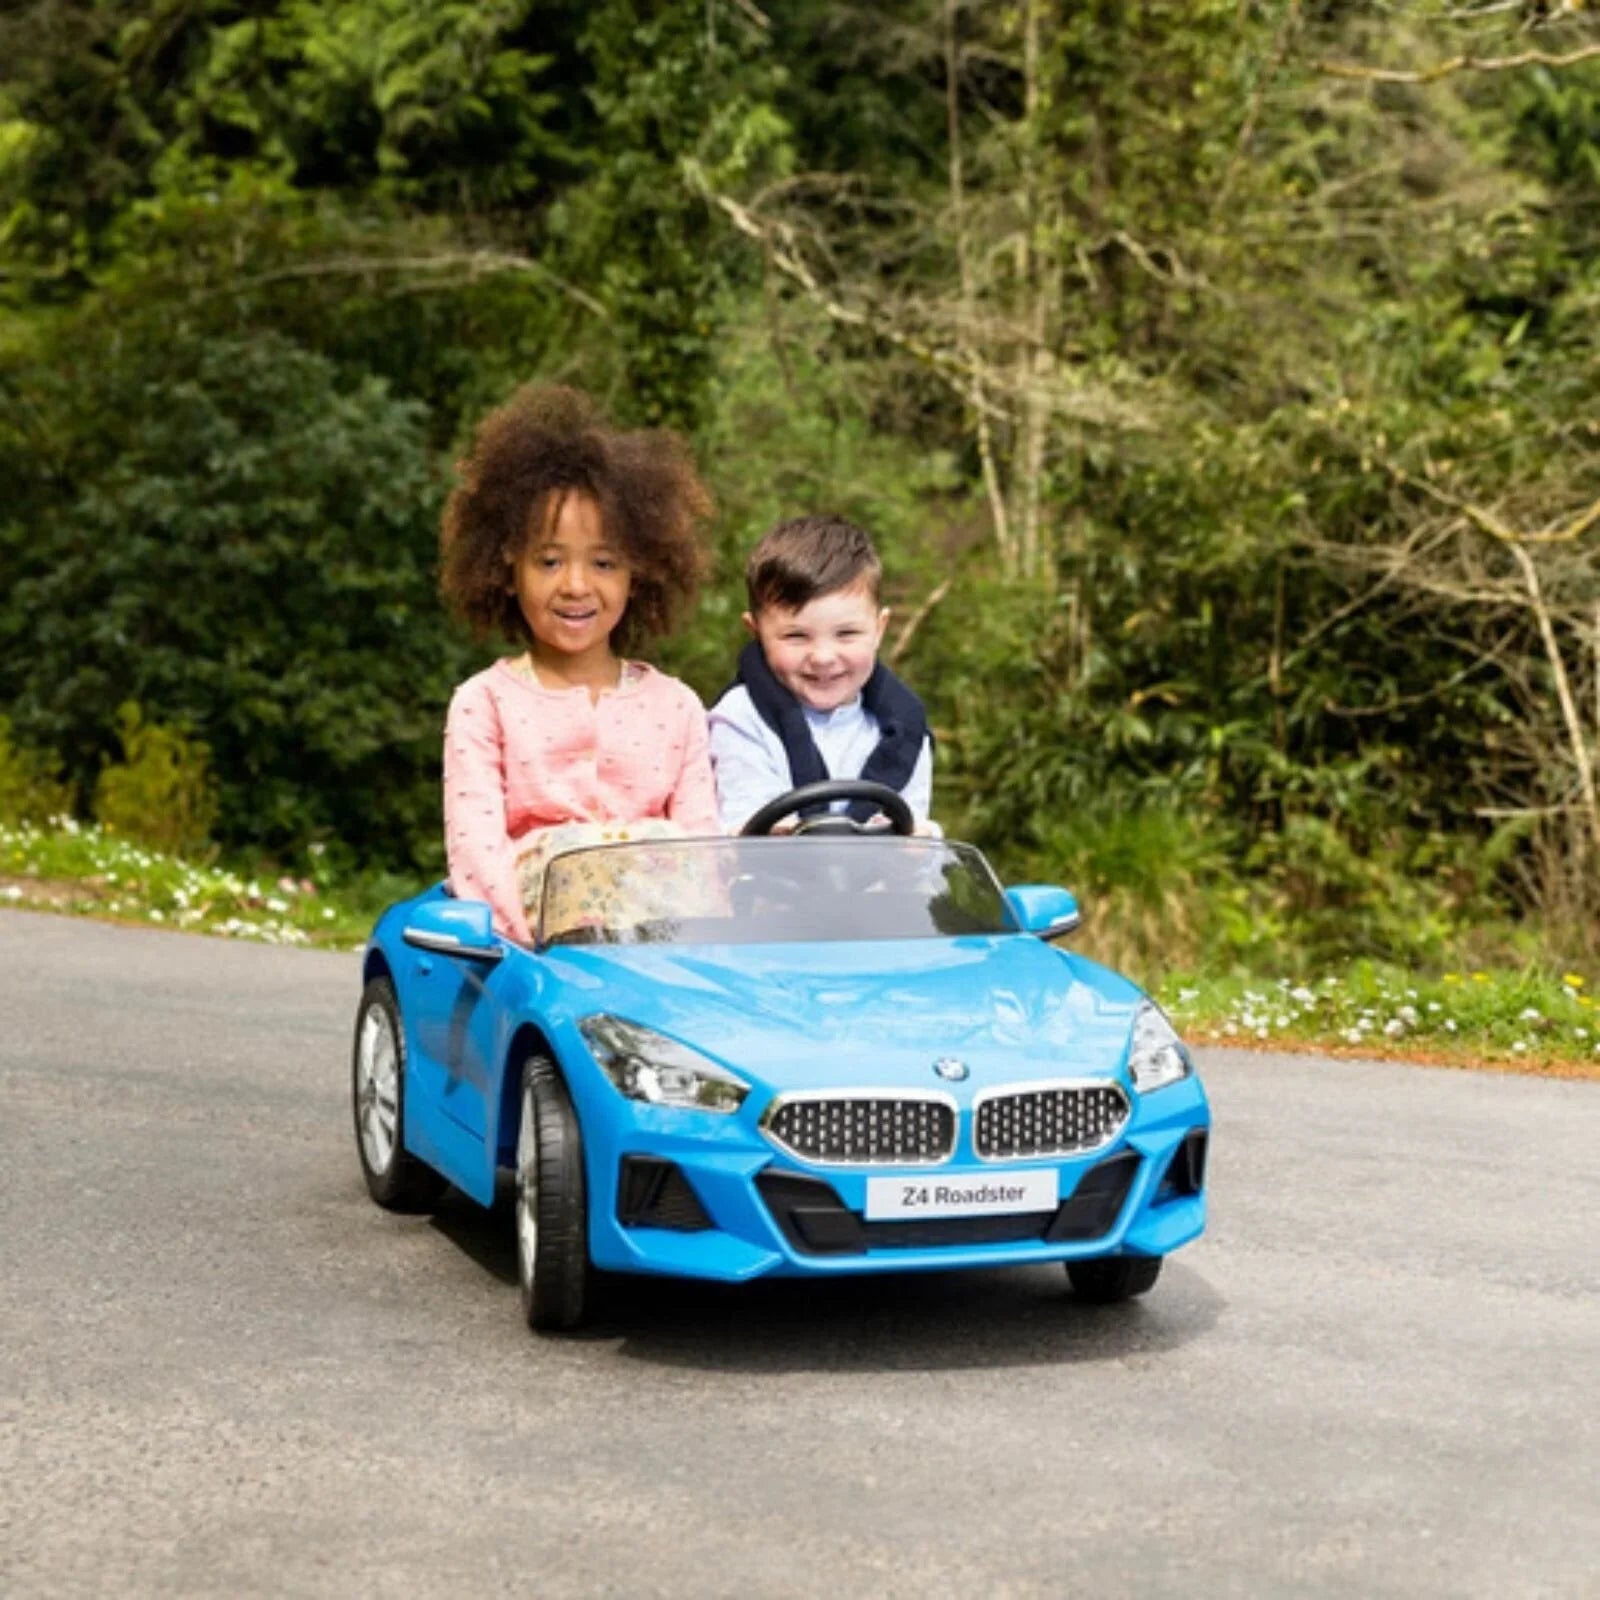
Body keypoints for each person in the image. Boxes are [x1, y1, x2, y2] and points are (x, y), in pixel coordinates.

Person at [438, 384, 719, 943]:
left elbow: (706, 858)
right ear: (507, 565)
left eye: (604, 563)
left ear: (638, 573)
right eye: (549, 561)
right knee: (572, 855)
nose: (575, 585)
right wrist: (526, 959)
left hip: (666, 958)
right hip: (540, 955)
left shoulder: (678, 706)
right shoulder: (484, 703)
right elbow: (477, 857)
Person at [708, 514, 935, 834]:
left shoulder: (907, 730)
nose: (823, 658)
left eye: (847, 634)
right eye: (796, 636)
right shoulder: (741, 717)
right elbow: (748, 821)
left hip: (879, 867)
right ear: (756, 632)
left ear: (879, 629)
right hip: (773, 867)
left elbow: (913, 824)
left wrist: (916, 837)